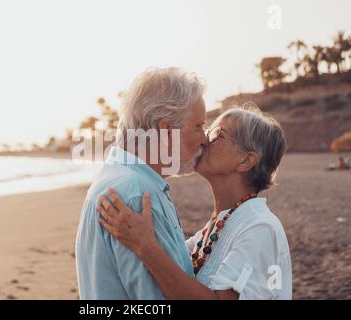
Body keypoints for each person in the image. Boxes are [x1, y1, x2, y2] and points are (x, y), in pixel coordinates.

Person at [98, 106, 293, 299]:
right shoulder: (218, 226)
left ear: (245, 161)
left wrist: (145, 246)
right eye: (205, 130)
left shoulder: (259, 227)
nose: (204, 139)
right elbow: (174, 265)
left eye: (218, 134)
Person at [75, 67, 208, 299]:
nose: (204, 138)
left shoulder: (119, 177)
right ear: (166, 129)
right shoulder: (136, 194)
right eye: (198, 126)